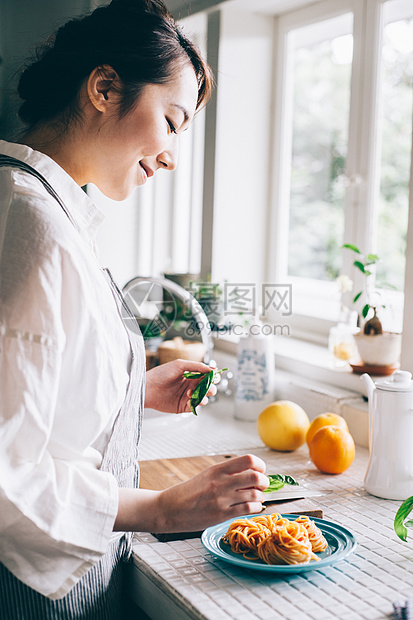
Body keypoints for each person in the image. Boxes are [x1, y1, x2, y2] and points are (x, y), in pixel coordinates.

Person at [0, 0, 268, 617]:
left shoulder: (43, 207)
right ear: (104, 87)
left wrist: (134, 390)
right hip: (30, 591)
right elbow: (8, 473)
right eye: (171, 121)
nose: (172, 155)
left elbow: (36, 383)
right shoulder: (30, 223)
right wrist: (161, 508)